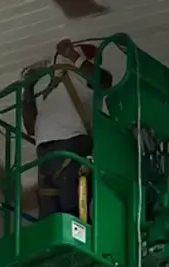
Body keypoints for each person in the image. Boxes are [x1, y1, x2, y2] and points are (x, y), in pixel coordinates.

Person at [22, 39, 127, 221]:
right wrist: (29, 86)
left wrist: (74, 57)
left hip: (71, 143)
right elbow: (31, 127)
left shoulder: (81, 77)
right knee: (49, 215)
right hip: (46, 151)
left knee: (73, 207)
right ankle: (58, 248)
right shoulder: (52, 90)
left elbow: (104, 81)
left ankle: (79, 240)